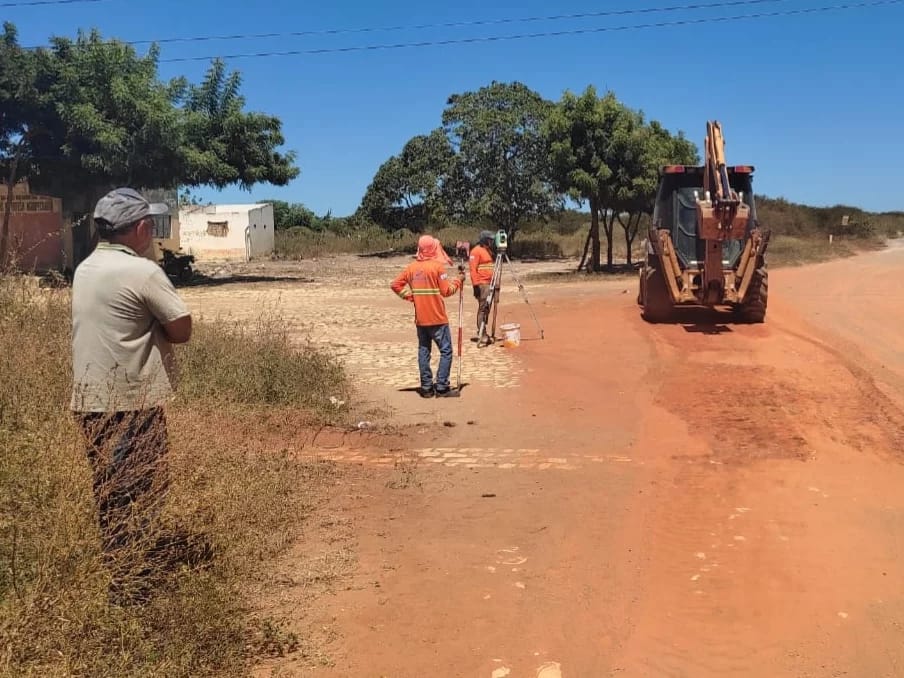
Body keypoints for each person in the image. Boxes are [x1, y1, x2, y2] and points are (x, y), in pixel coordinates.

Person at [70, 187, 193, 604]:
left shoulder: (85, 268)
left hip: (91, 403)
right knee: (143, 489)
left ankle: (120, 578)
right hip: (132, 402)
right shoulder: (143, 272)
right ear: (141, 228)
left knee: (110, 492)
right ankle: (136, 585)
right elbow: (182, 329)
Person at [391, 235, 465, 398]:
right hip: (438, 318)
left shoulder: (411, 268)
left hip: (421, 320)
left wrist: (410, 297)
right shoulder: (438, 268)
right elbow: (447, 291)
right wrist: (459, 281)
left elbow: (395, 284)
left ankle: (426, 388)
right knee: (446, 351)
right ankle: (441, 387)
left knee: (424, 351)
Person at [469, 230, 496, 342]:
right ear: (484, 239)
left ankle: (483, 330)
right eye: (489, 239)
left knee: (487, 308)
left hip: (490, 283)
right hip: (482, 284)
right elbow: (472, 269)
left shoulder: (488, 250)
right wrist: (475, 286)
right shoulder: (476, 251)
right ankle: (481, 332)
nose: (491, 241)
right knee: (483, 308)